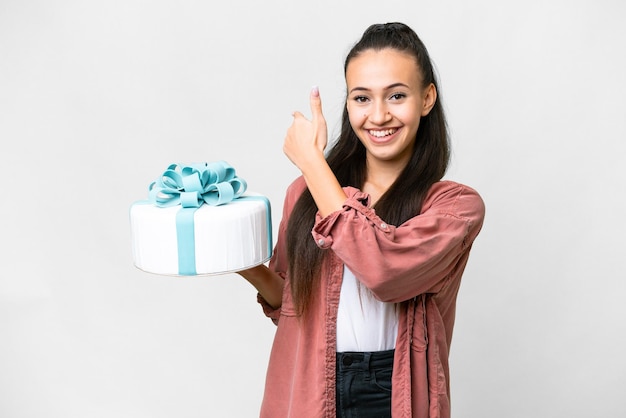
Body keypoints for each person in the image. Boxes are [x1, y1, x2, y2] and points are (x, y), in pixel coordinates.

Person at [237, 22, 485, 418]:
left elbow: (385, 270)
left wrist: (313, 162)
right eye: (362, 98)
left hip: (394, 388)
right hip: (312, 380)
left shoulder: (455, 206)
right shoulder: (304, 193)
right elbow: (290, 303)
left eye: (397, 96)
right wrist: (243, 263)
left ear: (426, 99)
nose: (379, 115)